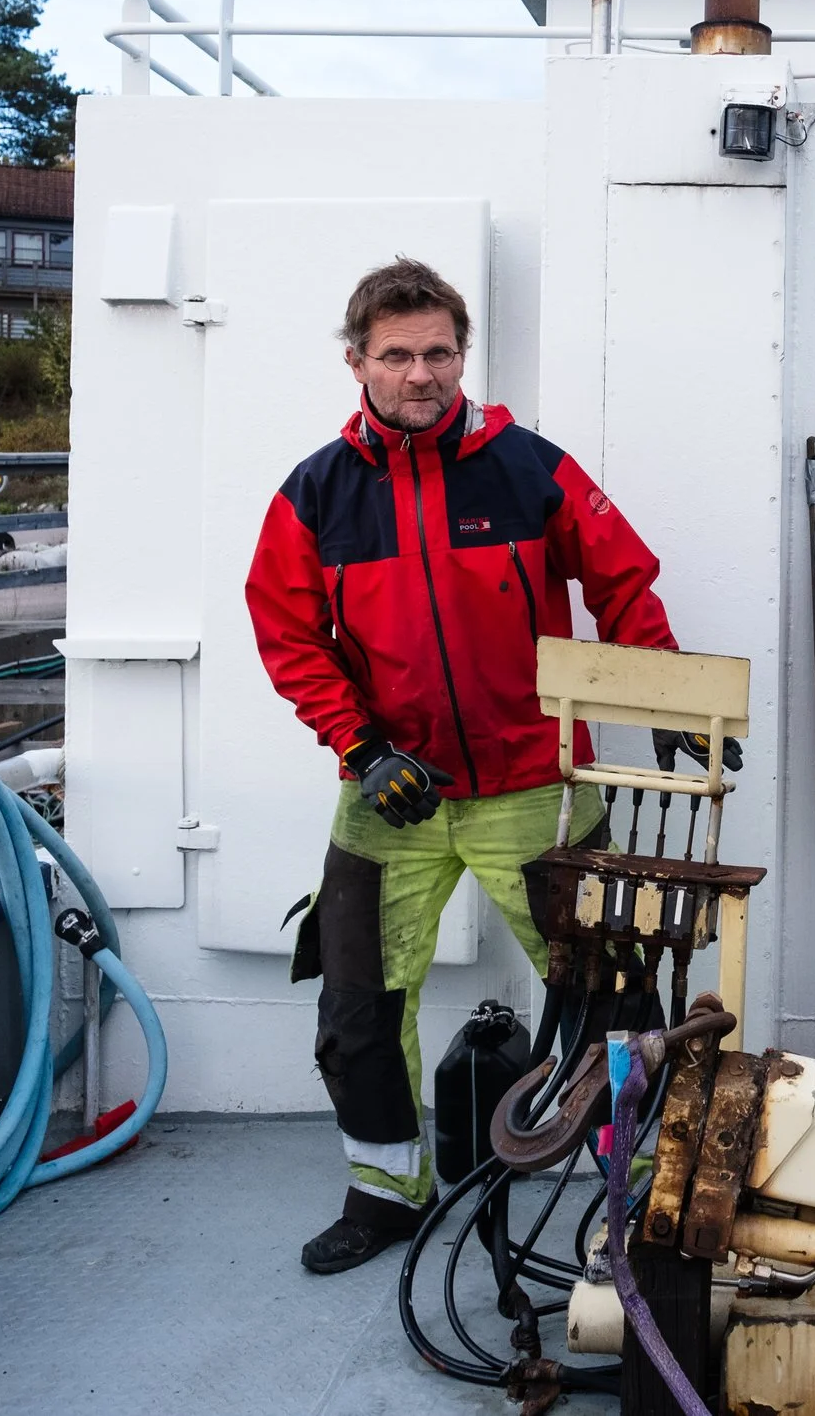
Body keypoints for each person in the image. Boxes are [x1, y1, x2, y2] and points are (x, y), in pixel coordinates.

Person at [244, 256, 679, 1274]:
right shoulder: (315, 494)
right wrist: (361, 747)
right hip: (389, 792)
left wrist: (662, 692)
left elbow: (623, 578)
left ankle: (641, 1187)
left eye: (439, 352)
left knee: (609, 992)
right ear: (357, 361)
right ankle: (386, 1191)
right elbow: (289, 636)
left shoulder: (530, 468)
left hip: (536, 784)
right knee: (357, 1005)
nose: (421, 373)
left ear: (462, 354)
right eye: (397, 355)